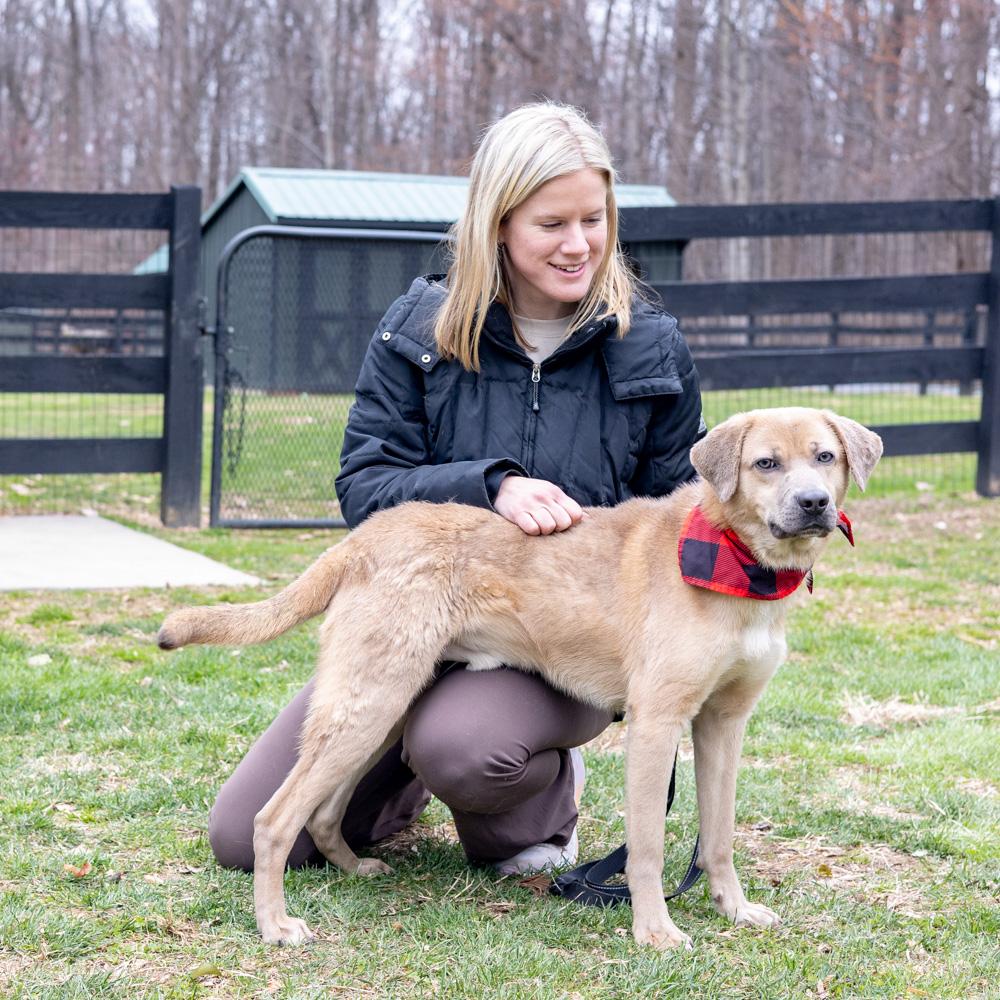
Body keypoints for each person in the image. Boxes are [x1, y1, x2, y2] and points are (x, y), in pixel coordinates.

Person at [207, 101, 705, 877]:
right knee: (243, 839)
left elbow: (678, 523)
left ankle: (525, 784)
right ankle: (393, 763)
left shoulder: (651, 346)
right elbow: (364, 487)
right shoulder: (420, 328)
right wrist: (490, 485)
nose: (579, 245)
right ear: (497, 223)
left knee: (467, 752)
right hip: (418, 608)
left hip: (559, 639)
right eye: (551, 224)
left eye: (594, 218)